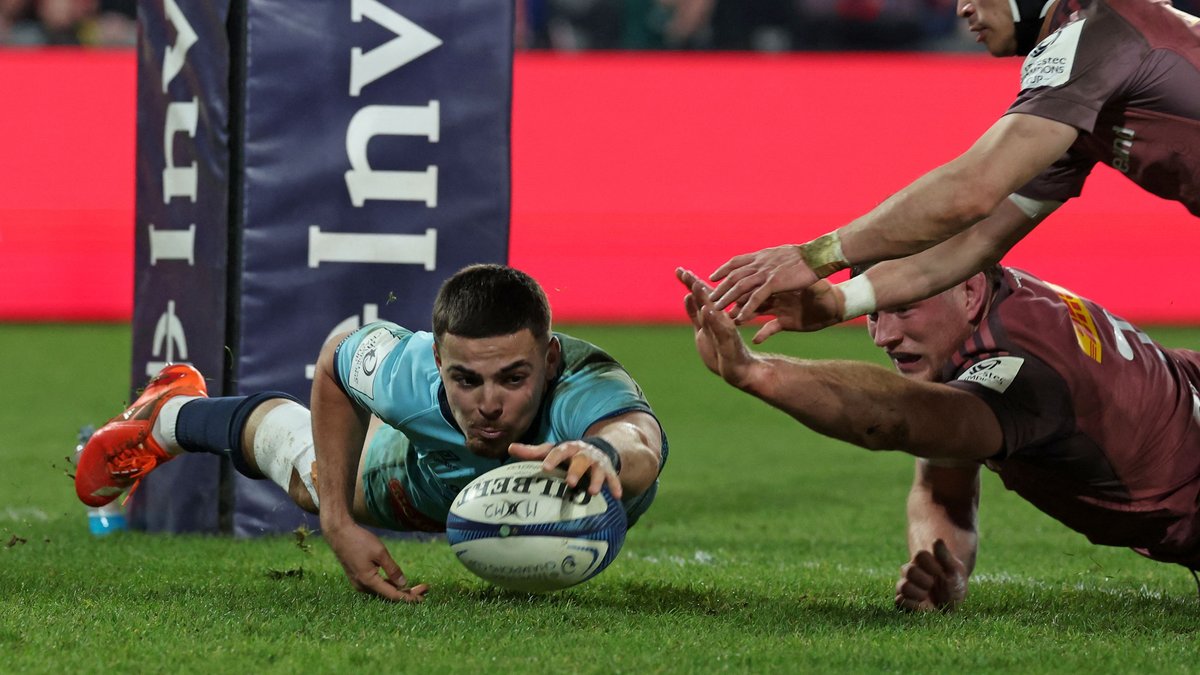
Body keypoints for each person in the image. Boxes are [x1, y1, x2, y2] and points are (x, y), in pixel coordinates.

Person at [75, 264, 668, 603]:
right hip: (430, 480)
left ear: (550, 359)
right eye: (466, 379)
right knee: (315, 483)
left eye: (514, 378)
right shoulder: (408, 371)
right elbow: (335, 361)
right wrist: (337, 523)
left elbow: (640, 440)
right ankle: (172, 415)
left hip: (542, 488)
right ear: (437, 361)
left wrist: (599, 450)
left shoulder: (586, 386)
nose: (489, 404)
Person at [676, 265, 1200, 610]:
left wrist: (756, 371)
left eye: (904, 308)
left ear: (968, 292)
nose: (884, 336)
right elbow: (943, 488)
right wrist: (945, 568)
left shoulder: (1027, 370)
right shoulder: (992, 304)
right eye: (874, 312)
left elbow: (900, 419)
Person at [707, 0, 1200, 335]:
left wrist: (815, 256)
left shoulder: (1095, 30)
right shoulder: (1085, 65)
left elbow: (970, 192)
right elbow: (977, 240)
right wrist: (839, 301)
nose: (961, 8)